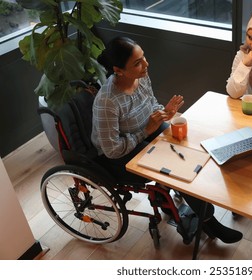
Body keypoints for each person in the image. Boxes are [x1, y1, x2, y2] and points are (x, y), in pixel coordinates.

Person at [91, 36, 243, 244]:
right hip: (120, 155)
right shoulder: (107, 101)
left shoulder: (141, 77)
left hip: (144, 132)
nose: (146, 64)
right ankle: (209, 221)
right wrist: (146, 131)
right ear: (118, 70)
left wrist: (164, 113)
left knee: (184, 145)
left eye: (143, 57)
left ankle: (190, 198)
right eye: (137, 63)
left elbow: (151, 103)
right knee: (174, 164)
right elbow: (112, 150)